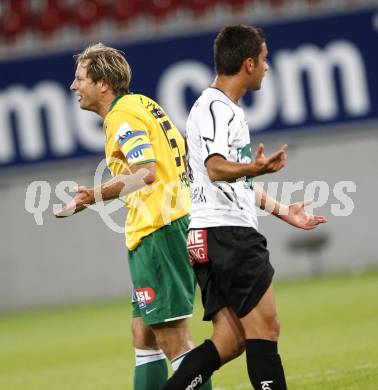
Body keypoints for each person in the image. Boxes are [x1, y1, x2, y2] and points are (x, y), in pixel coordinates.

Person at [162, 25, 327, 390]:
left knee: (231, 340)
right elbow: (216, 168)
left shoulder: (220, 109)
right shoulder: (216, 108)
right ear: (249, 63)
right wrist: (255, 167)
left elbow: (231, 181)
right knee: (266, 329)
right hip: (228, 238)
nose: (267, 67)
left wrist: (282, 209)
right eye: (265, 59)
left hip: (208, 236)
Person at [55, 43, 212, 390]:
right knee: (143, 335)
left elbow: (146, 172)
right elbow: (180, 158)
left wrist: (91, 196)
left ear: (103, 85)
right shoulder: (144, 105)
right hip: (165, 225)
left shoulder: (121, 117)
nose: (73, 86)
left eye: (80, 78)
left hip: (160, 231)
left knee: (174, 339)